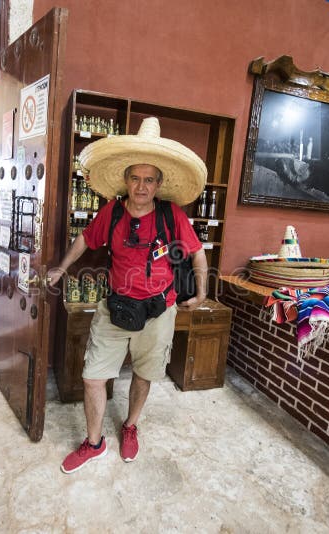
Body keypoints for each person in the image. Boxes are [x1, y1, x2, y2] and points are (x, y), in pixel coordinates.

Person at [47, 117, 208, 474]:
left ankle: (130, 425)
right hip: (116, 307)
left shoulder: (172, 215)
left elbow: (196, 252)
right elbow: (85, 239)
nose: (141, 186)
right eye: (135, 178)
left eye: (149, 179)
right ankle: (94, 443)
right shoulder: (113, 211)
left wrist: (201, 292)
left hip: (160, 310)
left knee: (145, 373)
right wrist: (61, 267)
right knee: (92, 377)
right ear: (126, 179)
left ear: (159, 183)